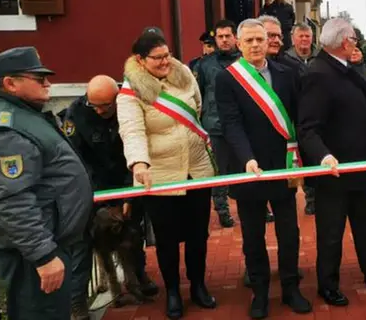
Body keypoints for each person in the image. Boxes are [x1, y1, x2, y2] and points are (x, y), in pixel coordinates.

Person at [215, 19, 312, 318]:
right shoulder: (228, 79)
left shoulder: (286, 74)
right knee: (254, 236)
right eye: (250, 41)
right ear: (239, 44)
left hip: (282, 166)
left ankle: (290, 288)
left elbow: (297, 117)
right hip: (248, 169)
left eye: (261, 39)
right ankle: (259, 292)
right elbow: (231, 124)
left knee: (289, 232)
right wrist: (247, 158)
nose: (256, 45)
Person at [297, 18, 366, 307]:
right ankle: (327, 284)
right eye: (354, 37)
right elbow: (307, 127)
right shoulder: (318, 73)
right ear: (344, 42)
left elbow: (363, 106)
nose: (357, 42)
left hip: (359, 167)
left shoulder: (345, 69)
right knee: (331, 232)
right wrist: (324, 156)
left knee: (365, 225)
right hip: (335, 171)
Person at [0, 47, 93, 320]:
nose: (48, 83)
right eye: (38, 78)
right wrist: (43, 256)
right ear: (10, 83)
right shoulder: (8, 130)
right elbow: (12, 201)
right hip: (36, 254)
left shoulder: (24, 115)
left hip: (47, 242)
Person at [118, 31, 217, 318]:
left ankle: (198, 286)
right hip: (160, 175)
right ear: (140, 59)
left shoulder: (183, 72)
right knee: (167, 239)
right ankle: (173, 291)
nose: (166, 62)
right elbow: (132, 131)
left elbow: (196, 108)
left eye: (168, 55)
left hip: (196, 169)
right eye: (158, 58)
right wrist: (139, 164)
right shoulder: (130, 92)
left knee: (199, 234)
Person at [59, 75, 159, 319]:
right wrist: (98, 198)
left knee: (133, 234)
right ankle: (78, 302)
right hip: (91, 189)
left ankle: (139, 276)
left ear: (117, 98)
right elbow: (77, 160)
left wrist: (128, 193)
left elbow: (137, 147)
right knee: (85, 247)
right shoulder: (75, 114)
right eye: (96, 105)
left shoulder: (129, 105)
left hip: (127, 180)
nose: (101, 110)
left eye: (107, 105)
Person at [194, 20, 240, 229]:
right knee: (219, 171)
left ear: (235, 38)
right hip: (215, 126)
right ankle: (222, 210)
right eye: (220, 37)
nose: (223, 40)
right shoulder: (203, 65)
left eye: (227, 36)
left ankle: (257, 205)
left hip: (241, 125)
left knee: (248, 165)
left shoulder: (244, 61)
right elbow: (198, 96)